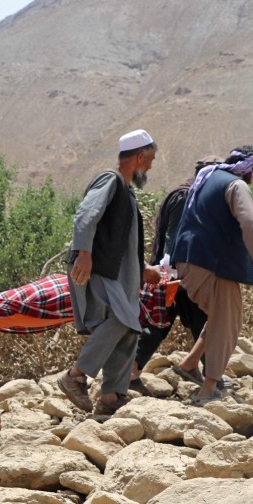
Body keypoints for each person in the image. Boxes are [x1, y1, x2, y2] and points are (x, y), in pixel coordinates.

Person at [171, 146, 253, 403]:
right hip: (212, 264)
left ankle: (189, 364)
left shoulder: (209, 177)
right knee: (229, 323)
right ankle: (208, 388)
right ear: (251, 169)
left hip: (188, 261)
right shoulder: (236, 186)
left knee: (219, 317)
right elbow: (250, 225)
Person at [60, 130, 162, 415]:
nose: (151, 166)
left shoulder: (126, 191)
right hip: (96, 268)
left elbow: (121, 244)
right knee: (120, 320)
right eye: (150, 159)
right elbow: (85, 215)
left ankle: (110, 398)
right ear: (139, 157)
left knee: (129, 328)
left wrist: (143, 270)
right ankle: (75, 376)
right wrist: (84, 253)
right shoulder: (110, 180)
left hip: (115, 273)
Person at [131, 156, 224, 391]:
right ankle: (129, 376)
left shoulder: (192, 195)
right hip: (175, 276)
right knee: (158, 326)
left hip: (180, 274)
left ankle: (209, 375)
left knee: (196, 322)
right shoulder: (186, 197)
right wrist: (177, 276)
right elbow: (175, 240)